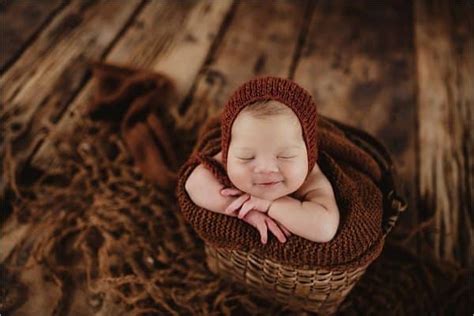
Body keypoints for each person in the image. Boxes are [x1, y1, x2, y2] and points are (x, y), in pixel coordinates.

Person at [184, 77, 340, 245]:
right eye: (247, 157)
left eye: (285, 156)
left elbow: (325, 228)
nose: (266, 169)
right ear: (227, 152)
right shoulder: (228, 159)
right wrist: (242, 210)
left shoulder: (310, 179)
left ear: (309, 152)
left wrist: (270, 205)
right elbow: (193, 183)